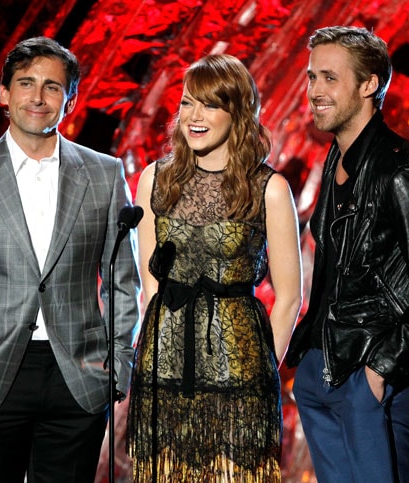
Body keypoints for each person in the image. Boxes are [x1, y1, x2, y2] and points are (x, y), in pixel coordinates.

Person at [0, 36, 141, 482]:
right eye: (26, 83)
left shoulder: (103, 173)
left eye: (52, 86)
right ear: (5, 93)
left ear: (70, 99)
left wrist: (117, 367)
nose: (38, 97)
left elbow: (123, 280)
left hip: (78, 379)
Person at [285, 26, 409, 482]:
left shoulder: (403, 173)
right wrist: (309, 361)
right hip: (322, 371)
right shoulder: (337, 159)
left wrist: (379, 370)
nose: (315, 92)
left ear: (369, 86)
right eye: (311, 78)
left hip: (368, 378)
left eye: (329, 78)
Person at [127, 54, 303, 482]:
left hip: (238, 370)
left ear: (238, 113)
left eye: (209, 104)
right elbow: (152, 286)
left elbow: (290, 297)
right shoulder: (155, 179)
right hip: (164, 367)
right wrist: (155, 347)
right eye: (187, 103)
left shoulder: (270, 189)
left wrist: (263, 367)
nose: (195, 116)